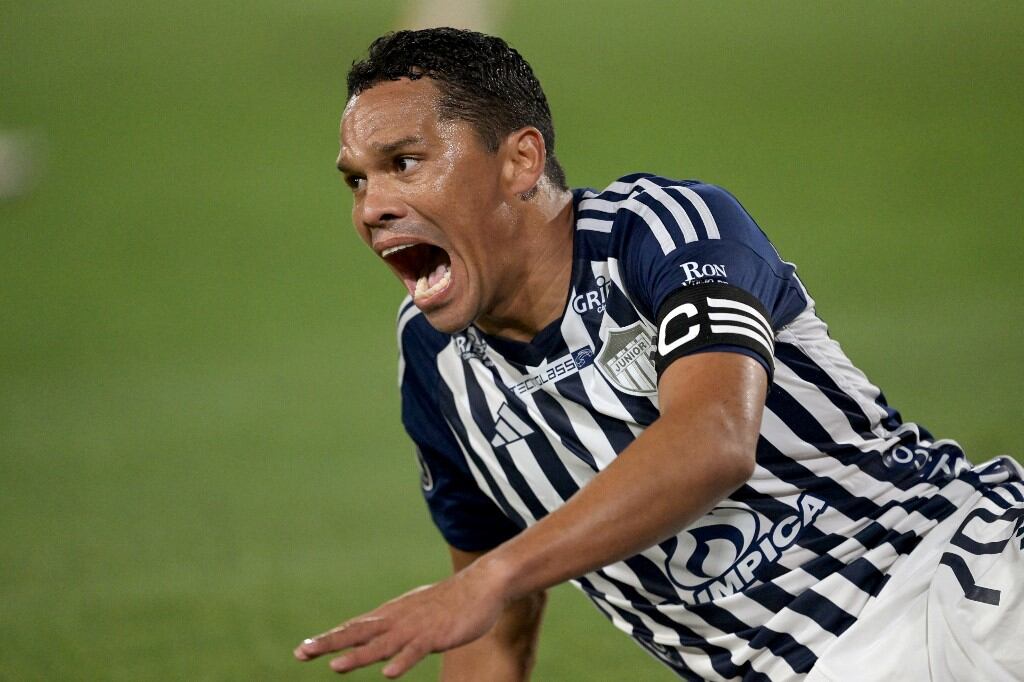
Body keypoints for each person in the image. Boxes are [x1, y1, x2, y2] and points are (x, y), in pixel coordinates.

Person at [294, 28, 1024, 681]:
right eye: (357, 179)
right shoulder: (432, 360)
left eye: (404, 162)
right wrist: (485, 588)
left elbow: (713, 440)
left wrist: (491, 580)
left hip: (957, 580)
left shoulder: (661, 230)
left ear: (520, 160)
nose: (371, 206)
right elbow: (491, 629)